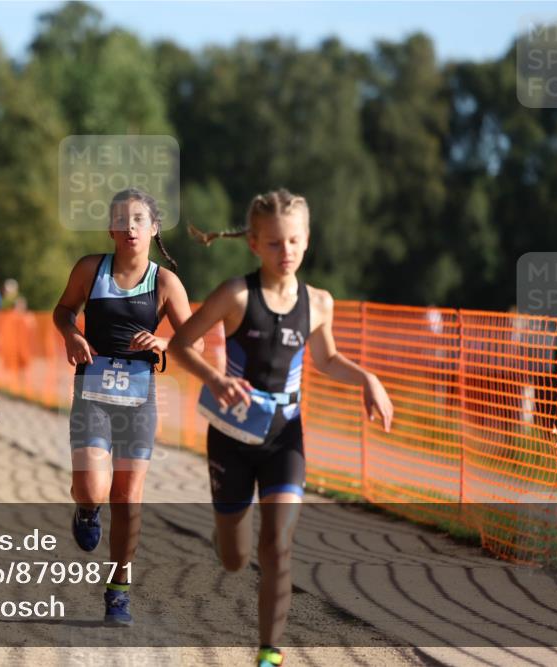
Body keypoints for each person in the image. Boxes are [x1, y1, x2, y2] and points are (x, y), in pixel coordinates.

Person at [169, 188, 394, 667]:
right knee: (234, 556)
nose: (285, 252)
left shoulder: (319, 302)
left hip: (285, 435)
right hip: (231, 436)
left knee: (278, 545)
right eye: (274, 243)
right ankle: (225, 535)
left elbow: (327, 358)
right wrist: (216, 378)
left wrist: (368, 378)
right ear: (253, 243)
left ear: (307, 240)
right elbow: (180, 346)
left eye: (293, 241)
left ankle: (269, 653)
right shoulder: (235, 294)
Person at [52, 187, 200, 626]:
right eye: (124, 219)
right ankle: (85, 507)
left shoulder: (166, 282)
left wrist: (165, 341)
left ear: (154, 229)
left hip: (139, 399)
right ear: (112, 228)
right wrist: (72, 334)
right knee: (94, 490)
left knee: (128, 498)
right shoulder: (89, 269)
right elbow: (62, 311)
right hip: (92, 395)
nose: (131, 227)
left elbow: (197, 340)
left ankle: (118, 589)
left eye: (140, 220)